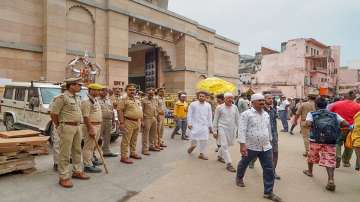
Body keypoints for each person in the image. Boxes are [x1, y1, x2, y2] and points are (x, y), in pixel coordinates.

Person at [235, 93, 282, 202]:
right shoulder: (246, 114)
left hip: (266, 146)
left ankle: (268, 192)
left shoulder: (266, 114)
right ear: (252, 102)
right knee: (244, 163)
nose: (262, 102)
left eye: (262, 100)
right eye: (259, 100)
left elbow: (268, 128)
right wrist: (242, 145)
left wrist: (270, 139)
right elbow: (241, 129)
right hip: (250, 146)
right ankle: (239, 177)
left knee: (269, 168)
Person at [303, 97, 349, 192]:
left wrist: (307, 124)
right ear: (326, 105)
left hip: (315, 139)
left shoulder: (312, 114)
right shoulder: (334, 114)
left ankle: (310, 171)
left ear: (316, 105)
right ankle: (331, 180)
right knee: (330, 160)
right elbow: (346, 124)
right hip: (330, 140)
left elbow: (307, 124)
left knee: (311, 156)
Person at [50, 77, 90, 188]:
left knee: (77, 150)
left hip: (77, 126)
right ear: (71, 85)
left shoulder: (77, 97)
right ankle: (63, 177)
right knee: (65, 153)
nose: (80, 87)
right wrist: (58, 126)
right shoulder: (62, 98)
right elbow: (54, 114)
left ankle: (77, 171)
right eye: (78, 85)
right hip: (66, 126)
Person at [329, 91, 360, 168]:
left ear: (345, 96)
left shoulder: (335, 104)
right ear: (354, 97)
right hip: (351, 128)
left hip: (338, 127)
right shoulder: (358, 106)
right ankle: (346, 161)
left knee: (337, 143)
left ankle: (337, 156)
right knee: (349, 145)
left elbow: (330, 115)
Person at [81, 83, 104, 173]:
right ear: (91, 90)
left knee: (93, 146)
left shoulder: (94, 99)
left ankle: (90, 161)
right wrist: (90, 128)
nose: (99, 92)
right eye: (97, 90)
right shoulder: (86, 101)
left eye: (99, 90)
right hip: (91, 125)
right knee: (88, 146)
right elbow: (85, 116)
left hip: (97, 125)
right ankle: (87, 165)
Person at [213, 92, 239, 172]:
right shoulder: (219, 107)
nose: (230, 99)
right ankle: (229, 164)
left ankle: (219, 156)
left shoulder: (235, 107)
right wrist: (214, 131)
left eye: (231, 98)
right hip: (222, 128)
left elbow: (237, 119)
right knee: (224, 145)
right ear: (224, 99)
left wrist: (239, 130)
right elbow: (215, 119)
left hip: (231, 129)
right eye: (228, 98)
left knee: (228, 144)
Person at [118, 84, 143, 164]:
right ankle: (124, 156)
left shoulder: (136, 99)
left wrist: (141, 121)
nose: (132, 91)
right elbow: (120, 111)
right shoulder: (123, 99)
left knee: (134, 139)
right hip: (128, 121)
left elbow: (139, 110)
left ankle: (132, 153)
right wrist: (121, 123)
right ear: (126, 90)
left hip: (137, 121)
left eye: (133, 90)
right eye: (130, 90)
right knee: (126, 140)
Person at [187, 91, 213, 160]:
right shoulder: (193, 104)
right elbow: (189, 114)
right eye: (200, 96)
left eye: (203, 96)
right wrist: (189, 123)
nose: (201, 97)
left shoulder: (208, 105)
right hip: (195, 124)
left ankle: (201, 154)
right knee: (193, 138)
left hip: (204, 125)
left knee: (204, 140)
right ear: (198, 96)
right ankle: (193, 146)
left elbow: (209, 116)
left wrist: (210, 126)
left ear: (205, 97)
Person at [49, 83, 67, 172]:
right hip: (59, 123)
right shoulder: (57, 98)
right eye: (64, 89)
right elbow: (51, 112)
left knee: (67, 144)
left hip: (67, 124)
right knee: (57, 143)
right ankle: (56, 163)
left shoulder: (74, 97)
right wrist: (57, 124)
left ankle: (65, 161)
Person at [99, 88, 118, 157]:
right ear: (99, 91)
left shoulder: (109, 100)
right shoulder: (96, 99)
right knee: (97, 137)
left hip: (109, 120)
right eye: (102, 90)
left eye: (106, 91)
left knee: (107, 137)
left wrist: (113, 120)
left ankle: (106, 151)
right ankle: (93, 155)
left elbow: (112, 110)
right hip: (100, 120)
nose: (104, 92)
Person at [142, 87, 160, 154]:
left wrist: (157, 117)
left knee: (153, 134)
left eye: (152, 94)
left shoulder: (154, 100)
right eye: (150, 93)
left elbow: (156, 109)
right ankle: (144, 149)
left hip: (153, 118)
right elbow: (141, 111)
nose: (151, 95)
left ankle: (151, 146)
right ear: (147, 93)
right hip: (146, 118)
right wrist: (142, 121)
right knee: (145, 135)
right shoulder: (143, 100)